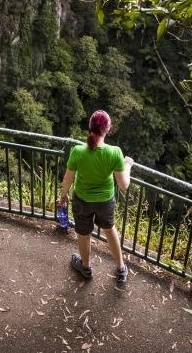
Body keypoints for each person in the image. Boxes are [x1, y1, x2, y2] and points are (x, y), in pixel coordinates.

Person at [57, 110, 134, 283]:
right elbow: (124, 185)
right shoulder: (115, 152)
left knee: (84, 234)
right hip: (105, 202)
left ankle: (85, 268)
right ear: (108, 129)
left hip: (82, 200)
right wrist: (128, 165)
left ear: (89, 127)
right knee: (109, 229)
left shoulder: (78, 151)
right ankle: (121, 268)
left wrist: (63, 197)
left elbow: (68, 179)